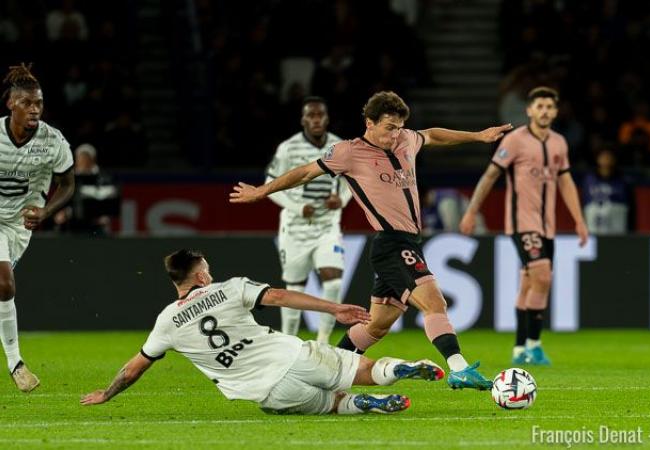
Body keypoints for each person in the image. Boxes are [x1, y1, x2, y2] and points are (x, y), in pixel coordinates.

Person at [230, 91, 511, 391]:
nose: (396, 134)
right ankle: (459, 368)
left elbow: (431, 136)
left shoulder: (405, 140)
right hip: (392, 244)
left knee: (377, 325)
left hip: (409, 242)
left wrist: (478, 136)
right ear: (370, 123)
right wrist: (262, 191)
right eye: (390, 127)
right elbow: (304, 173)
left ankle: (326, 374)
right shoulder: (348, 152)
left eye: (400, 127)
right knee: (435, 303)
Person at [80, 249, 445, 415]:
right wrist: (334, 308)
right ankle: (397, 370)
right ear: (202, 276)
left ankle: (361, 406)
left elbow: (135, 367)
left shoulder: (166, 322)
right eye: (207, 268)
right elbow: (280, 296)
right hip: (292, 355)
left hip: (267, 390)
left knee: (330, 404)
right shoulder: (228, 288)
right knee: (363, 370)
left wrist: (107, 394)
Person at [459, 86, 588, 366]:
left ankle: (521, 348)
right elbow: (491, 175)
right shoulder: (515, 141)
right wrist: (471, 212)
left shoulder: (559, 143)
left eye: (549, 107)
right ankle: (534, 344)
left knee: (531, 282)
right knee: (542, 275)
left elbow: (565, 182)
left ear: (555, 111)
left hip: (548, 226)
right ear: (529, 110)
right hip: (522, 222)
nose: (544, 111)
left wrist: (579, 220)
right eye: (539, 106)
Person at [0, 63, 75, 391]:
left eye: (39, 104)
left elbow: (69, 184)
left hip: (19, 226)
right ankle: (16, 363)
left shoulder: (52, 141)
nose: (34, 109)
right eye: (27, 103)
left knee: (2, 286)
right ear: (11, 104)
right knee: (5, 284)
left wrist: (46, 211)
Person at [266, 96, 352, 344]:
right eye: (311, 116)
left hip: (327, 226)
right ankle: (288, 344)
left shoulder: (340, 147)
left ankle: (323, 342)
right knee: (294, 290)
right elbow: (270, 186)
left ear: (326, 118)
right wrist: (297, 206)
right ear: (303, 119)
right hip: (294, 228)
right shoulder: (288, 148)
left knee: (334, 282)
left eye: (320, 115)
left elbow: (350, 182)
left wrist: (342, 200)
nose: (316, 120)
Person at [53, 143, 120, 234]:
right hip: (72, 228)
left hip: (97, 229)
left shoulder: (104, 179)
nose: (82, 162)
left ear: (92, 160)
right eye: (80, 158)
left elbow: (109, 202)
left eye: (85, 158)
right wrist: (62, 213)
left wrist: (104, 216)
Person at [581, 148, 632, 234]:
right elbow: (585, 202)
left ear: (614, 160)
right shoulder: (589, 179)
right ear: (598, 159)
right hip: (595, 218)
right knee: (592, 210)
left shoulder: (623, 180)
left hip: (615, 217)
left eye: (609, 157)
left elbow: (627, 205)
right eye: (603, 157)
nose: (606, 160)